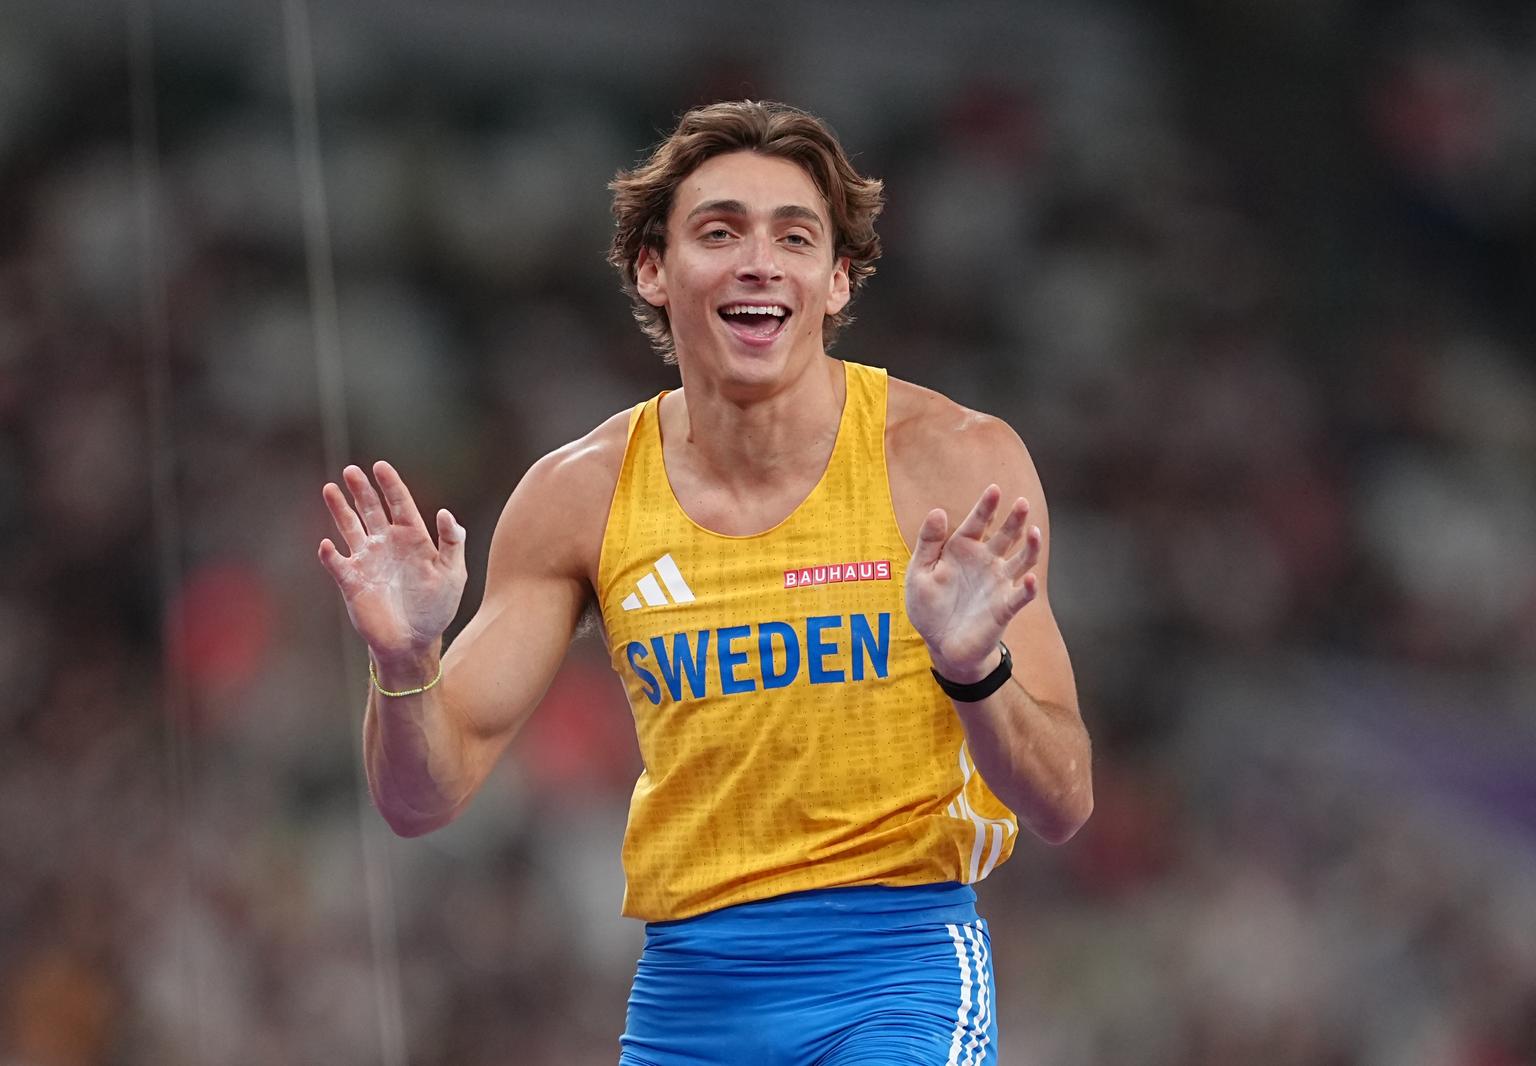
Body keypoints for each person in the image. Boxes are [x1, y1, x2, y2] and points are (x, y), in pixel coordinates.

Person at [318, 99, 1092, 1066]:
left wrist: (975, 669)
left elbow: (1064, 801)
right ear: (653, 268)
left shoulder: (950, 463)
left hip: (898, 970)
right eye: (718, 231)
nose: (758, 262)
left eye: (795, 237)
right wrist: (405, 660)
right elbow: (419, 799)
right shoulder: (582, 495)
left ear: (838, 281)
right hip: (689, 995)